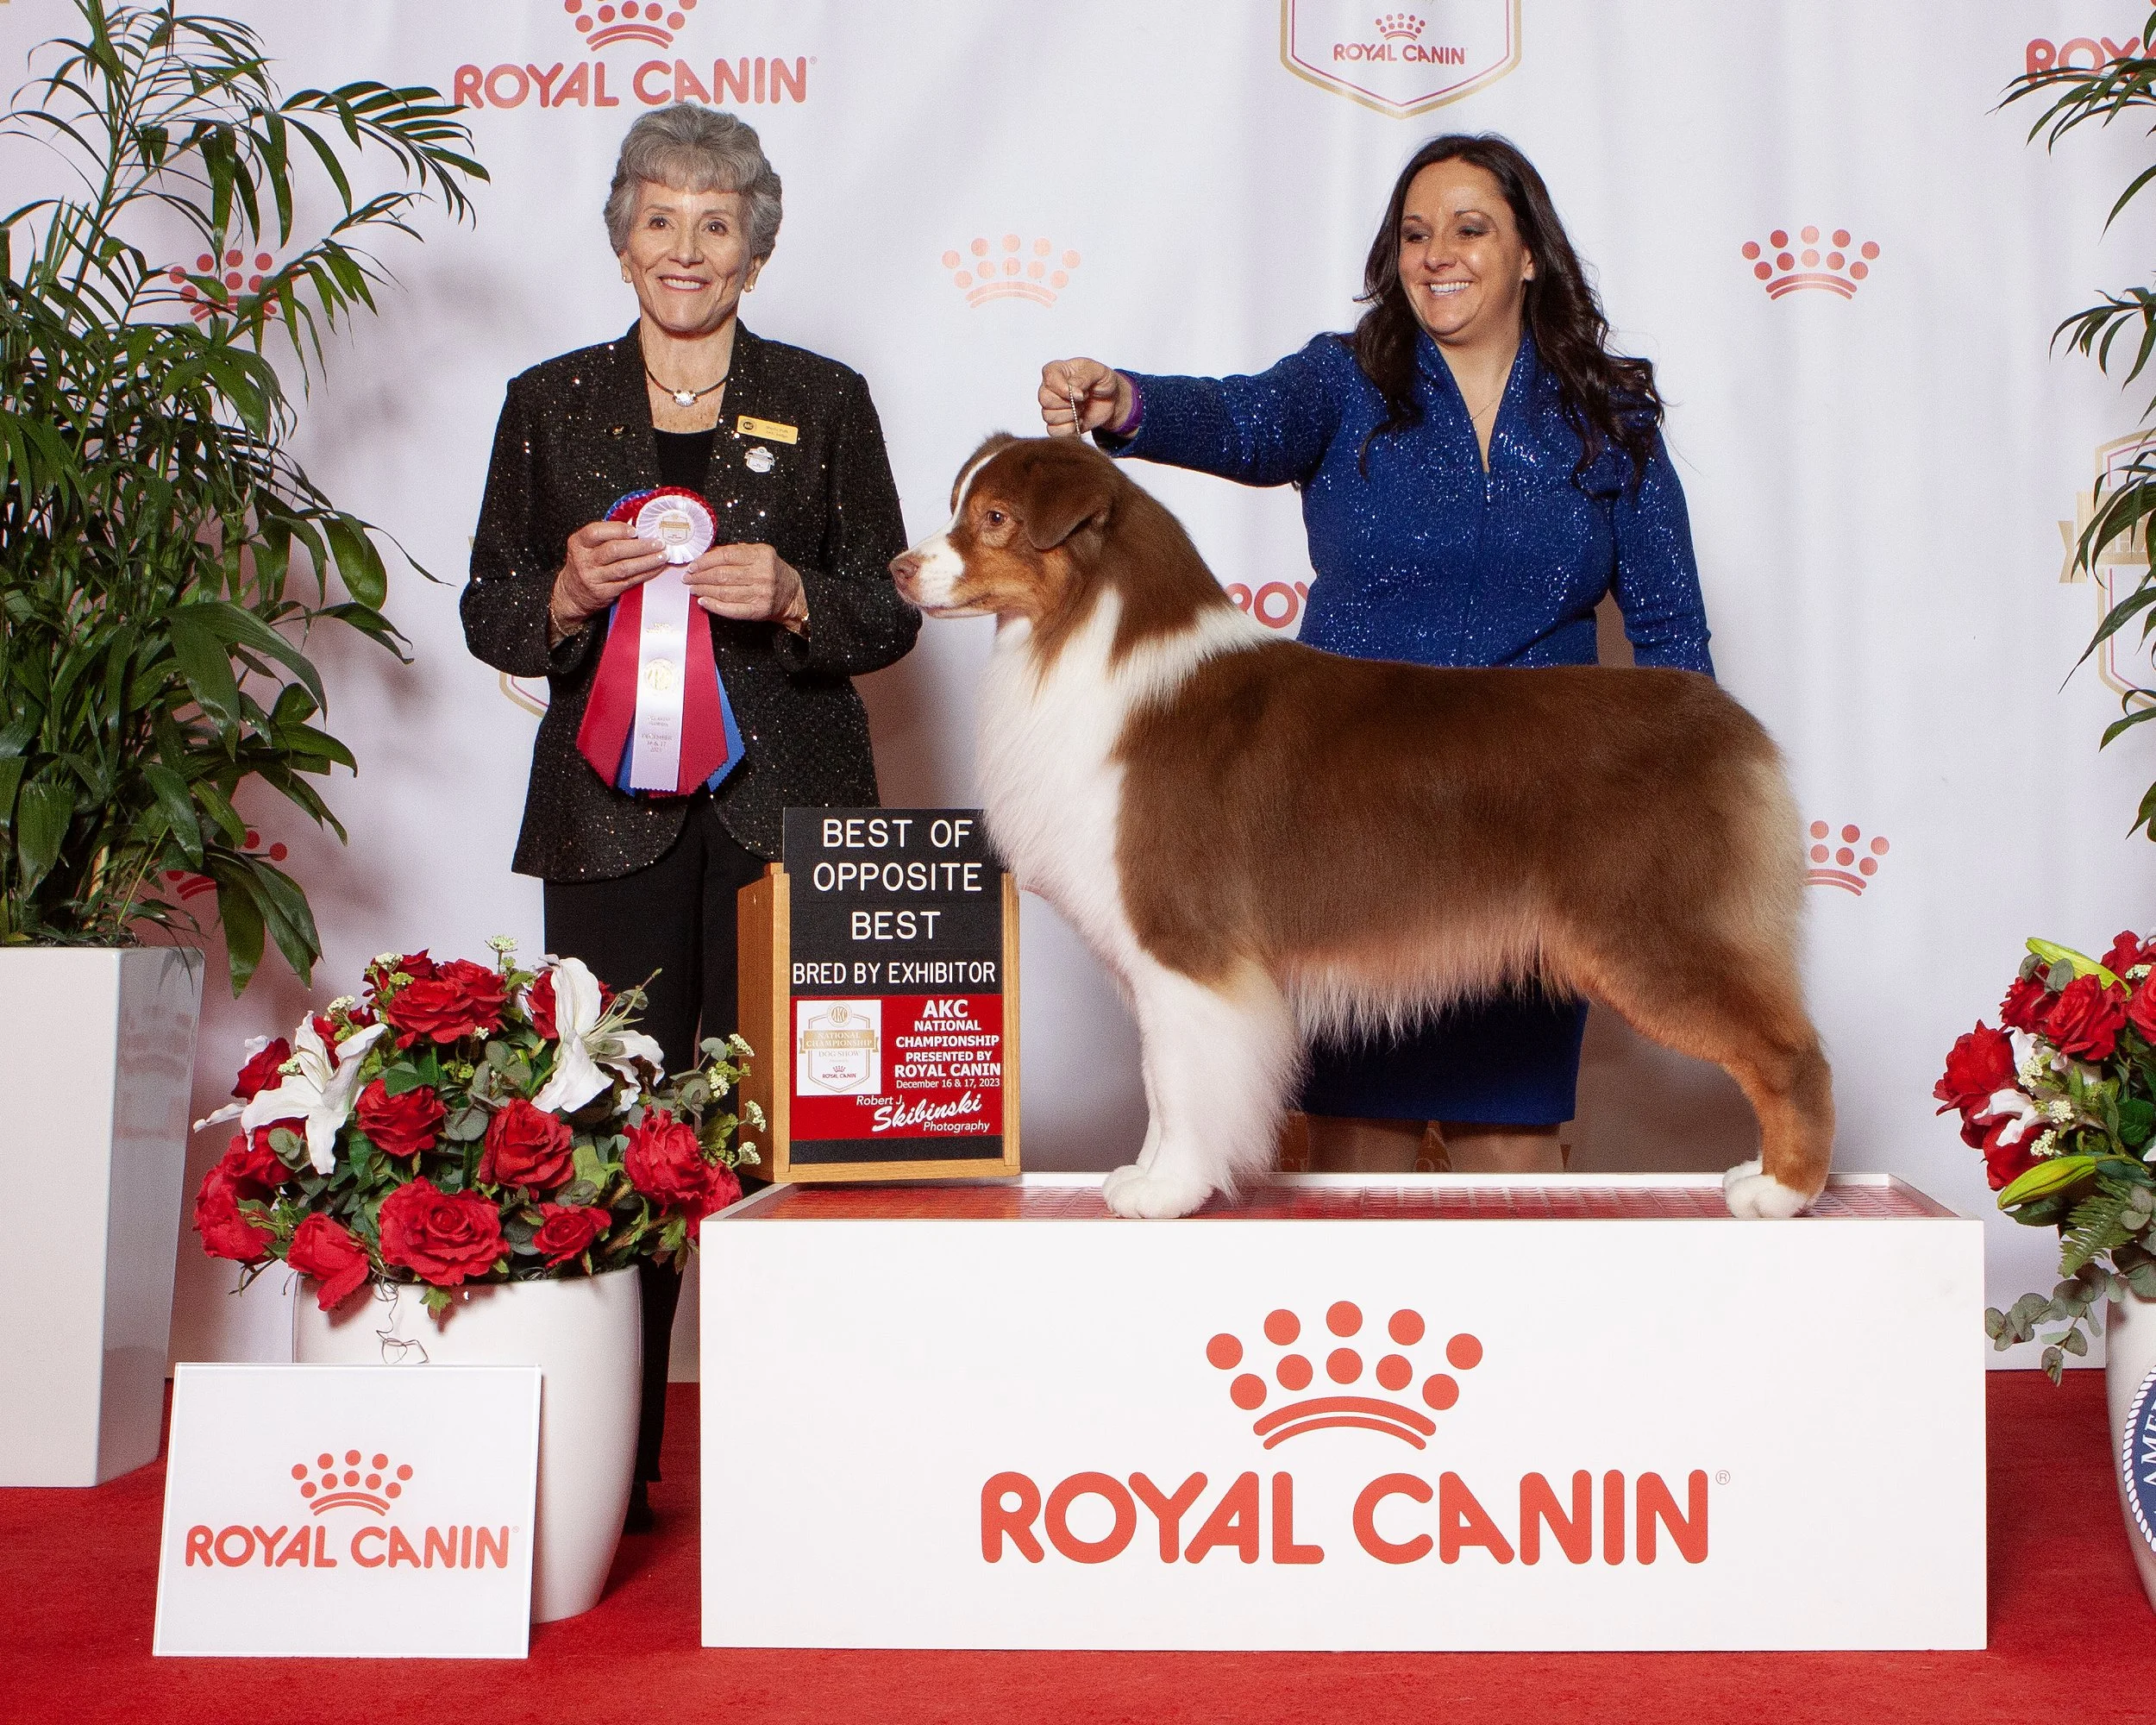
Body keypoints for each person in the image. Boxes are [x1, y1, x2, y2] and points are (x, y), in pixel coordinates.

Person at [1037, 133, 1712, 1179]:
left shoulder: (1607, 411)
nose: (1436, 252)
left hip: (1531, 812)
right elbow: (1236, 421)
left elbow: (1670, 627)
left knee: (1513, 1153)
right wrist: (1123, 401)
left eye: (1469, 227)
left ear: (1529, 252)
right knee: (1352, 1158)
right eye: (1413, 233)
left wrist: (1682, 795)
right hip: (1345, 811)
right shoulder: (1341, 381)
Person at [463, 104, 918, 1527]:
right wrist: (565, 595)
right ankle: (618, 1459)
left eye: (716, 223)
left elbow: (887, 610)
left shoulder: (827, 397)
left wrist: (792, 595)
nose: (686, 248)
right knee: (612, 1138)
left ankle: (826, 1457)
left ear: (756, 248)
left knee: (807, 1132)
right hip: (609, 818)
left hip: (792, 818)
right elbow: (489, 607)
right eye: (660, 217)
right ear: (618, 237)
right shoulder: (548, 401)